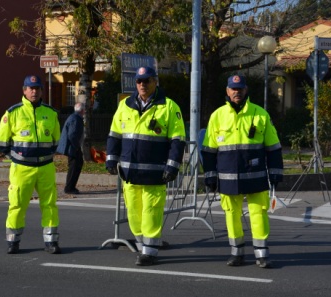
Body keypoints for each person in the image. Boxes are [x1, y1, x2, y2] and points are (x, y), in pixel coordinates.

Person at [106, 66, 186, 266]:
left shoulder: (168, 106)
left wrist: (173, 166)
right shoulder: (125, 105)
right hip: (129, 172)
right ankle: (144, 245)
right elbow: (114, 135)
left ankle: (149, 251)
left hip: (155, 173)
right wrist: (110, 158)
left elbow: (177, 140)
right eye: (139, 81)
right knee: (134, 212)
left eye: (147, 80)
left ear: (155, 81)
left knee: (151, 211)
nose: (142, 84)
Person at [201, 75, 283, 268]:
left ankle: (262, 255)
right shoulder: (217, 116)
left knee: (259, 213)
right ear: (227, 91)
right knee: (231, 214)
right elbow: (209, 151)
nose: (236, 92)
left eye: (240, 88)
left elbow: (273, 147)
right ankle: (236, 253)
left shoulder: (260, 114)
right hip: (228, 177)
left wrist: (276, 172)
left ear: (246, 90)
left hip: (256, 176)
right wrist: (210, 175)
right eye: (233, 89)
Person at [0, 75, 61, 255]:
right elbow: (2, 141)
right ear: (24, 90)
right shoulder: (13, 112)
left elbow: (56, 140)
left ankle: (51, 241)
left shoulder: (51, 112)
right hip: (21, 168)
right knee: (17, 204)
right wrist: (16, 157)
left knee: (49, 204)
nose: (34, 91)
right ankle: (13, 242)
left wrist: (46, 156)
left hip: (46, 167)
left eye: (37, 88)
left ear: (41, 91)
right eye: (31, 88)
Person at [57, 102, 85, 195]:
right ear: (82, 110)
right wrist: (76, 146)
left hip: (72, 146)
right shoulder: (75, 119)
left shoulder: (75, 117)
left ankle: (71, 186)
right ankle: (69, 187)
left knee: (77, 165)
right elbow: (72, 135)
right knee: (74, 167)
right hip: (72, 147)